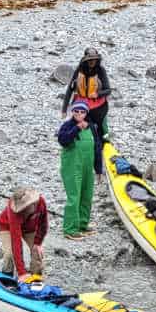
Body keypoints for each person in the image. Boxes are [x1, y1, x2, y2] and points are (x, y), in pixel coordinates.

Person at [57, 99, 103, 240]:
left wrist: (98, 169)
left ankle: (83, 225)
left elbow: (97, 147)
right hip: (72, 168)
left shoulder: (92, 127)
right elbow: (63, 140)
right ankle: (70, 229)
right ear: (72, 112)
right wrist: (77, 128)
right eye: (76, 111)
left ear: (86, 113)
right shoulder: (67, 126)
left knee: (87, 196)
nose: (79, 113)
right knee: (74, 197)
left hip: (87, 168)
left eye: (82, 111)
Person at [0, 187, 49, 280]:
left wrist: (37, 243)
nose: (22, 211)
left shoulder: (41, 202)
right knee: (9, 254)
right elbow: (16, 242)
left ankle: (36, 278)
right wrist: (21, 272)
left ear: (33, 204)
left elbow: (43, 225)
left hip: (29, 228)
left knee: (37, 253)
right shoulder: (14, 212)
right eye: (21, 209)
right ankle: (6, 277)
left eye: (25, 208)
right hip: (7, 227)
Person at [61, 47, 111, 136]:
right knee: (76, 125)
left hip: (97, 106)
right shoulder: (79, 69)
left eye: (94, 59)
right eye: (90, 60)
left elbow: (108, 90)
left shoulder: (101, 70)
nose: (92, 62)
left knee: (101, 128)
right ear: (85, 60)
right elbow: (70, 89)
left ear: (97, 60)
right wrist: (64, 110)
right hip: (81, 104)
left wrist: (97, 94)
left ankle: (103, 140)